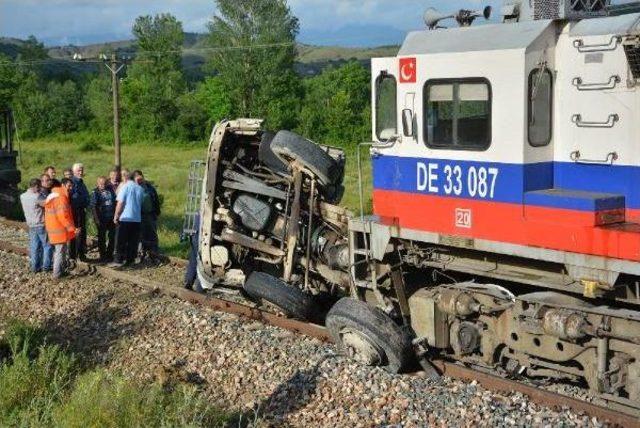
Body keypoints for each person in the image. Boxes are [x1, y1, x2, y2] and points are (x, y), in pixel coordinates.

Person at [44, 178, 78, 279]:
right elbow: (62, 216)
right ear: (62, 185)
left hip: (54, 228)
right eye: (69, 186)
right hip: (59, 229)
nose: (71, 188)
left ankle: (60, 271)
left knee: (59, 251)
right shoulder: (60, 197)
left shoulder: (52, 196)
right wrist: (72, 228)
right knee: (59, 252)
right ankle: (57, 274)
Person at [111, 169, 144, 267]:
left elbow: (120, 202)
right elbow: (140, 203)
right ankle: (130, 260)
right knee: (133, 241)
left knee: (121, 240)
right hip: (137, 218)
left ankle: (118, 260)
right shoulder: (140, 189)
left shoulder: (125, 187)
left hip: (125, 217)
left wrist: (116, 215)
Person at [20, 178, 52, 273]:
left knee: (34, 246)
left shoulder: (23, 196)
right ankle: (46, 266)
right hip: (41, 224)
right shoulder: (37, 196)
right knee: (47, 245)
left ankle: (35, 267)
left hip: (30, 225)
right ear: (36, 186)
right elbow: (48, 204)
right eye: (39, 186)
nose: (40, 188)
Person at [135, 170, 161, 260]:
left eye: (140, 177)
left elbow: (156, 200)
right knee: (140, 234)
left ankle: (154, 252)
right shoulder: (132, 188)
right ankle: (140, 253)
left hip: (150, 214)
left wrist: (157, 212)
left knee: (152, 233)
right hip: (138, 215)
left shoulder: (149, 187)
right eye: (137, 178)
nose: (139, 180)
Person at [90, 176, 117, 262]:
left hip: (111, 217)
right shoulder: (95, 192)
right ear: (97, 184)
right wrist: (97, 219)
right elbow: (93, 207)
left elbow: (115, 201)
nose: (103, 185)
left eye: (104, 183)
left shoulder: (110, 189)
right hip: (102, 218)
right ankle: (103, 255)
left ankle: (110, 254)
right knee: (102, 237)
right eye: (101, 183)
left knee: (113, 236)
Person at [69, 163, 89, 261]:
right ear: (74, 171)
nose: (81, 172)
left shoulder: (81, 182)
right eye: (78, 170)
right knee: (76, 233)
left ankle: (80, 254)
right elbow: (74, 197)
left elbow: (86, 196)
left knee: (82, 233)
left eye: (82, 170)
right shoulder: (73, 183)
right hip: (75, 211)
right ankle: (74, 255)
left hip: (81, 210)